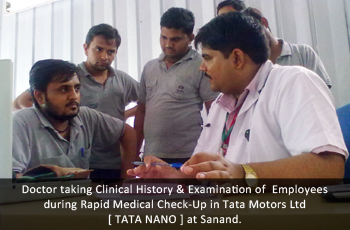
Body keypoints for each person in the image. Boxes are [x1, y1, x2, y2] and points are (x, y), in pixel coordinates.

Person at [128, 12, 347, 182]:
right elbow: (214, 170)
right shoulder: (220, 106)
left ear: (237, 59)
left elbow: (328, 167)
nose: (202, 68)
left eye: (207, 58)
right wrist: (180, 176)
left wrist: (245, 174)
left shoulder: (293, 82)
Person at [13, 24, 139, 178]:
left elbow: (145, 106)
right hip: (89, 163)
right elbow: (20, 102)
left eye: (77, 89)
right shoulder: (69, 74)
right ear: (86, 48)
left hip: (110, 161)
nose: (74, 96)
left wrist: (127, 114)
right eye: (99, 49)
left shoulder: (88, 113)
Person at [134, 7, 219, 164]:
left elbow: (215, 112)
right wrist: (134, 152)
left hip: (188, 156)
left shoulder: (202, 65)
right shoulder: (149, 67)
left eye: (175, 39)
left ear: (190, 38)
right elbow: (141, 112)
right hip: (151, 156)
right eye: (163, 37)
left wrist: (213, 152)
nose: (167, 44)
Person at [217, 1, 332, 88]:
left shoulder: (303, 53)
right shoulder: (250, 65)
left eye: (254, 31)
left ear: (264, 23)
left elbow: (322, 90)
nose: (252, 38)